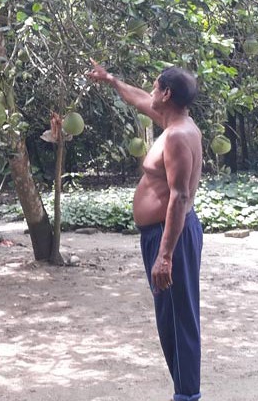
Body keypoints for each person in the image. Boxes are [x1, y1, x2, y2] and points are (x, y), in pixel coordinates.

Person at [87, 59, 203, 401]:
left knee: (179, 321)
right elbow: (138, 98)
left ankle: (187, 396)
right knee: (168, 321)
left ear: (166, 94)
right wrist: (110, 80)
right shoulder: (173, 123)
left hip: (172, 237)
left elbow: (180, 197)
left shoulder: (179, 136)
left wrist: (165, 255)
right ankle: (184, 393)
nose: (150, 91)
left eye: (155, 86)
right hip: (160, 235)